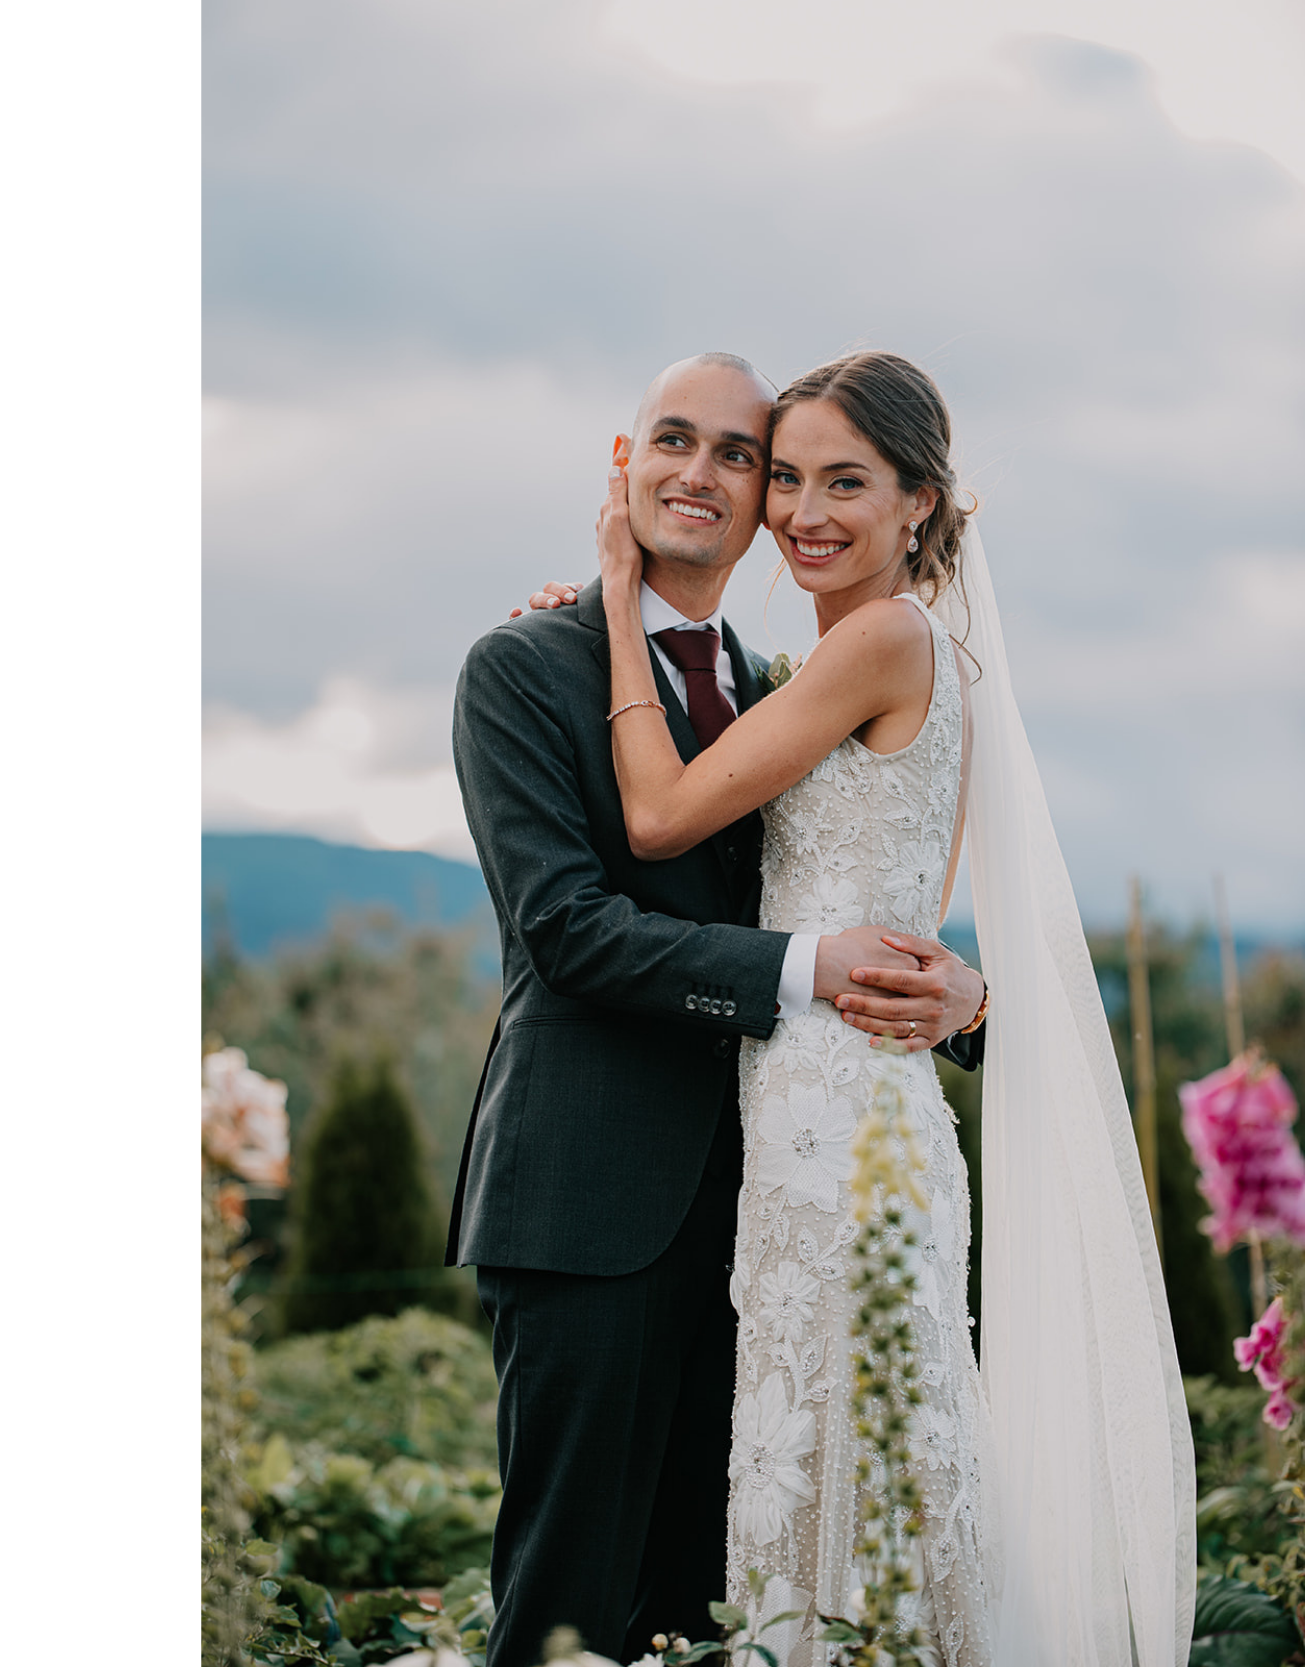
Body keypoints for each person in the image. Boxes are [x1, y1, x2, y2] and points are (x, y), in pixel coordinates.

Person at [584, 351, 1190, 1664]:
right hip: (843, 1110)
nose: (801, 508)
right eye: (786, 474)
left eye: (843, 480)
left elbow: (658, 813)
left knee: (847, 1472)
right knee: (858, 1465)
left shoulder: (885, 636)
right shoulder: (900, 650)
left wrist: (616, 609)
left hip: (838, 1125)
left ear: (919, 499)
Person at [445, 353, 992, 1667]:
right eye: (672, 440)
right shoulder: (524, 665)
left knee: (711, 1610)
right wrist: (812, 967)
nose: (707, 471)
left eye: (740, 455)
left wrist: (966, 997)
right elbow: (569, 930)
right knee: (565, 1614)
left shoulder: (772, 677)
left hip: (772, 1207)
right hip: (593, 1205)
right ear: (624, 465)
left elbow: (874, 865)